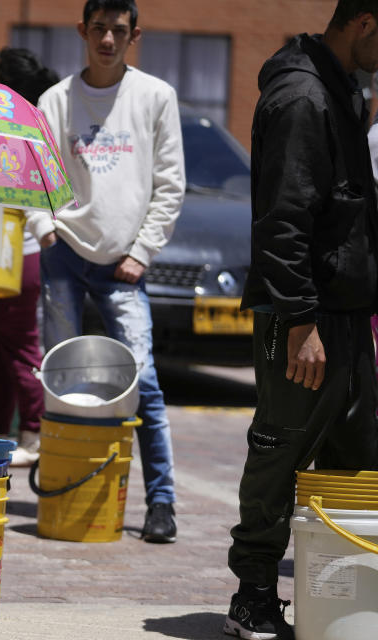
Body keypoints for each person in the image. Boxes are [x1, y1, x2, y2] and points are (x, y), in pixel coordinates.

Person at [225, 3, 378, 638]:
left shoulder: (343, 89)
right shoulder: (300, 97)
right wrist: (299, 321)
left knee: (355, 460)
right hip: (306, 318)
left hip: (344, 313)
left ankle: (336, 598)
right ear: (367, 23)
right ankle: (254, 593)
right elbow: (283, 221)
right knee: (280, 450)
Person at [28, 0, 185, 540]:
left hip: (125, 262)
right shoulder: (55, 100)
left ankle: (161, 502)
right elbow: (33, 172)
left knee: (142, 381)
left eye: (119, 31)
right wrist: (42, 228)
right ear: (83, 31)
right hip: (64, 252)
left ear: (134, 34)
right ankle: (66, 482)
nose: (108, 41)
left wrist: (142, 251)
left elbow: (170, 184)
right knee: (62, 380)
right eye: (99, 29)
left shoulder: (156, 97)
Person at [0, 47, 60, 467]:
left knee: (21, 347)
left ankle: (34, 429)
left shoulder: (22, 129)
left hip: (19, 253)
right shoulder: (6, 126)